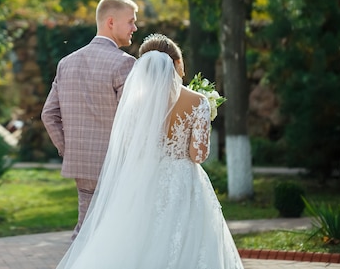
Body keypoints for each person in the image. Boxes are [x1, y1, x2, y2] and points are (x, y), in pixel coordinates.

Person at [55, 34, 244, 269]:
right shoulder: (198, 102)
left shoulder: (134, 104)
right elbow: (198, 155)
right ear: (175, 63)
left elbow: (129, 148)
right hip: (183, 182)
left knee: (138, 240)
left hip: (142, 180)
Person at [41, 0, 139, 240]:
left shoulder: (66, 63)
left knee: (85, 233)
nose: (135, 28)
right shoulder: (125, 64)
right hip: (116, 166)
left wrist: (69, 148)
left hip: (81, 166)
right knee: (117, 236)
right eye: (131, 21)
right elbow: (133, 121)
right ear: (111, 22)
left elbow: (48, 114)